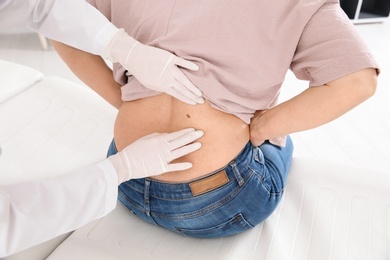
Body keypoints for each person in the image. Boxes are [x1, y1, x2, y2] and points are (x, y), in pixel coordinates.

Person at [52, 0, 380, 239]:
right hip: (217, 202)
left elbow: (58, 24)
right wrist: (264, 127)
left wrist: (125, 102)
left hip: (122, 179)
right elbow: (357, 81)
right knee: (281, 137)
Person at [0, 0, 204, 256]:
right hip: (173, 187)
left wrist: (123, 48)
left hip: (129, 176)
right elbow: (8, 223)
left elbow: (40, 5)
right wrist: (119, 170)